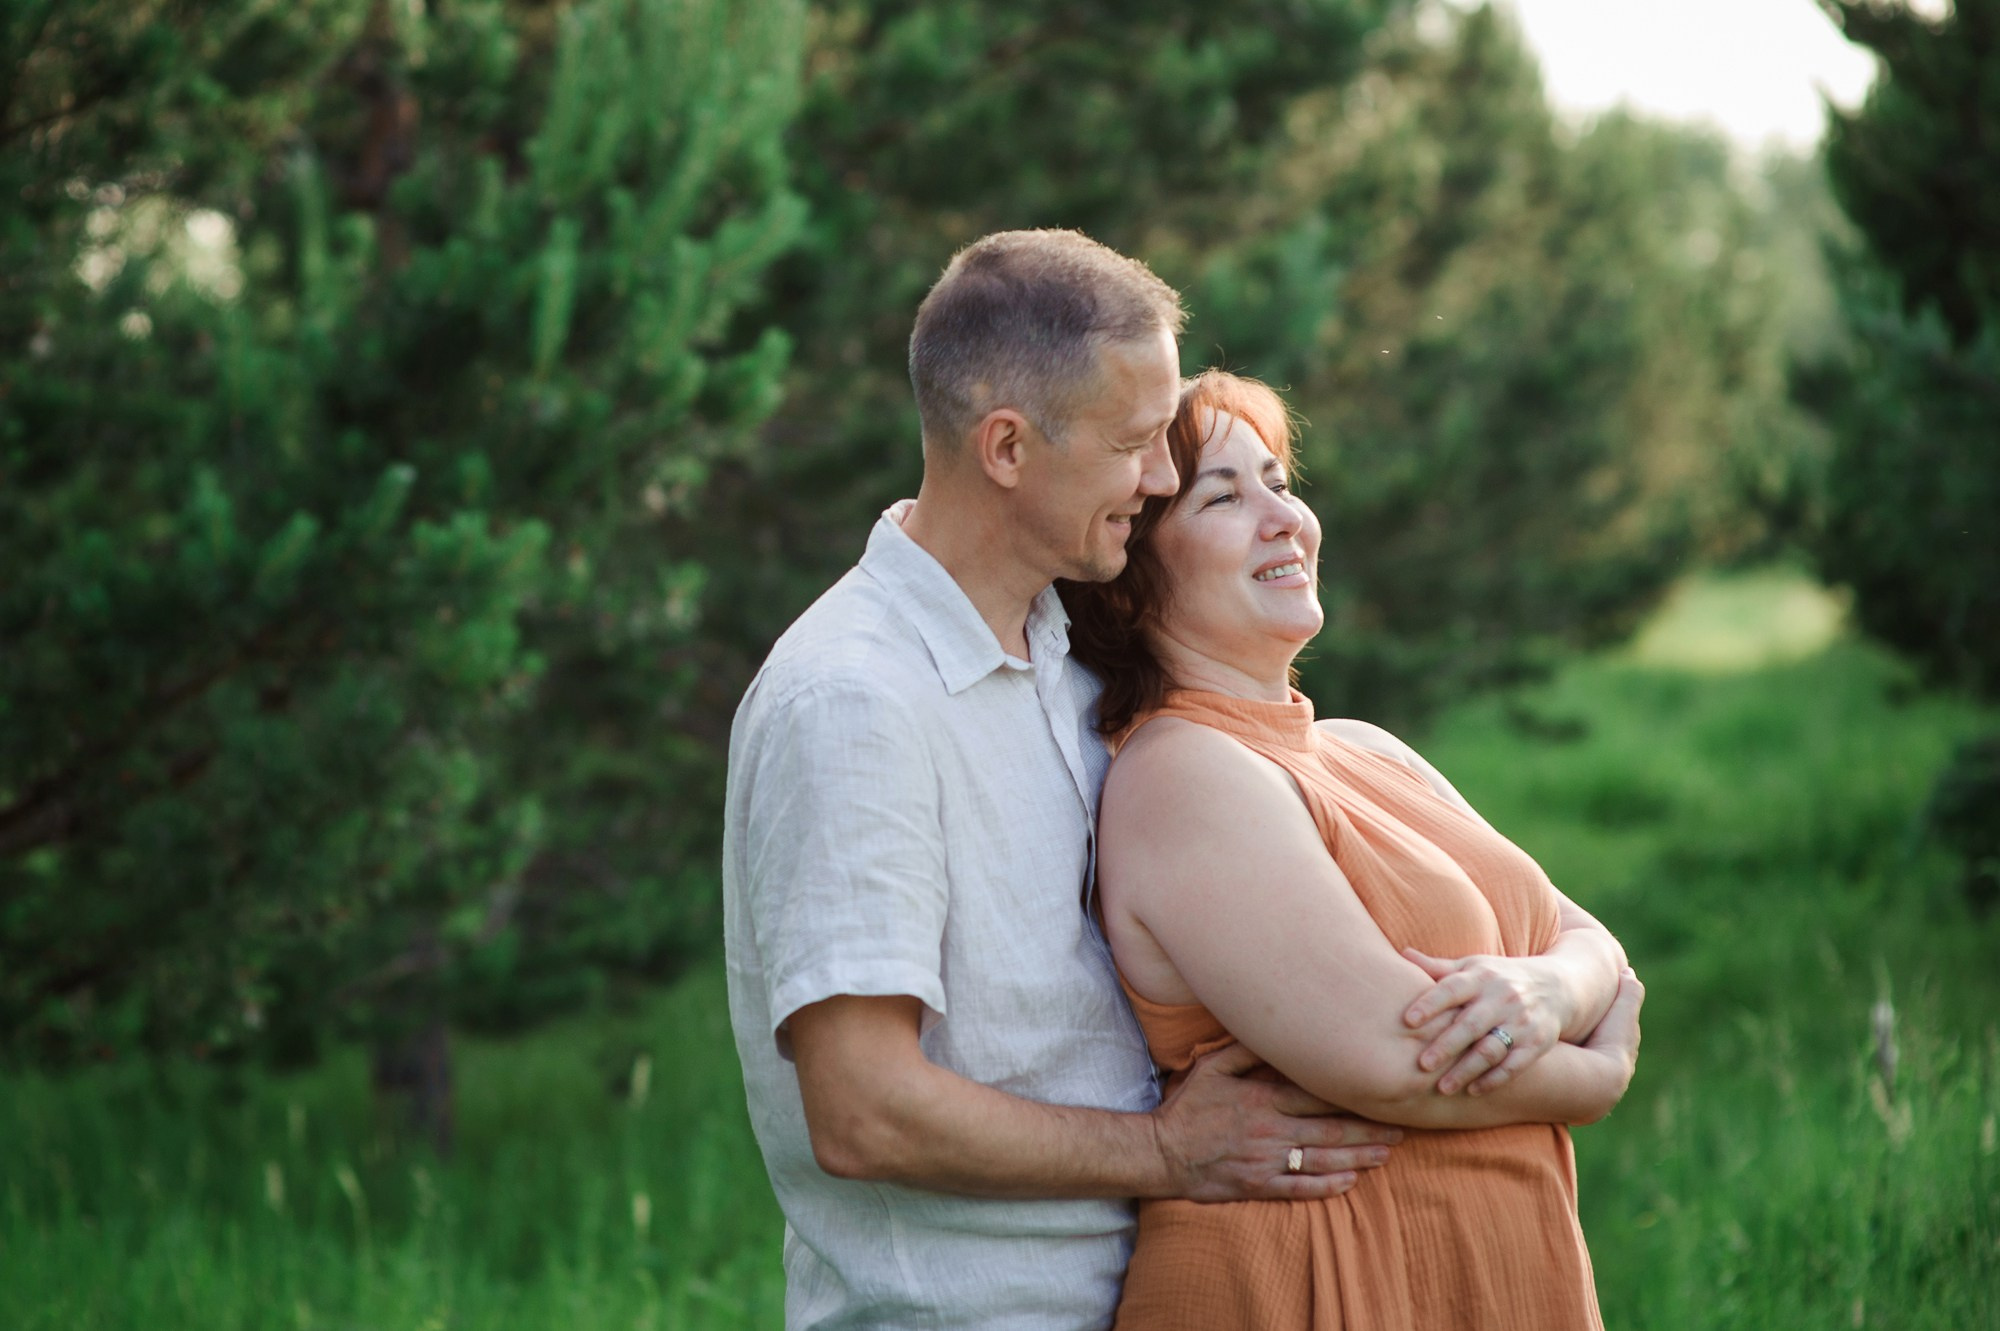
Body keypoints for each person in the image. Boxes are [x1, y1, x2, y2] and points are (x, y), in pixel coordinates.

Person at [722, 231, 1406, 1330]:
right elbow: (861, 1110)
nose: (1164, 474)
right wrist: (1166, 1150)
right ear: (1005, 448)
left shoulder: (1063, 645)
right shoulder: (853, 702)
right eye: (1135, 440)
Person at [1061, 368, 1644, 1329]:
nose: (1282, 517)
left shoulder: (1369, 752)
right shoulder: (1180, 775)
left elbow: (1589, 938)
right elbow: (1397, 1056)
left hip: (1483, 1267)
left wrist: (1549, 987)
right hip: (1312, 1279)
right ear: (1132, 584)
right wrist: (1596, 1071)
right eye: (1223, 495)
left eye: (1280, 482)